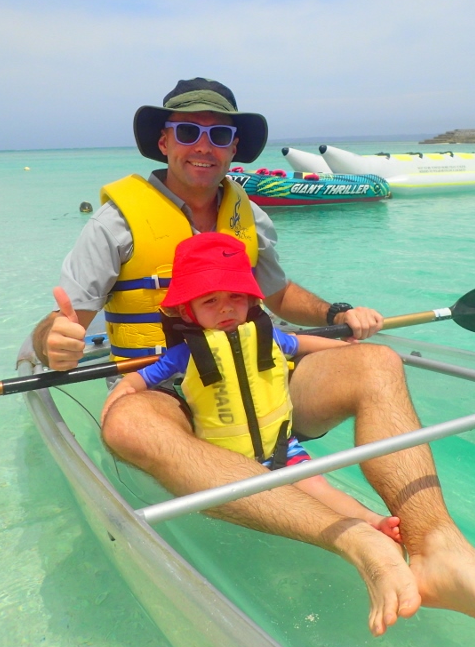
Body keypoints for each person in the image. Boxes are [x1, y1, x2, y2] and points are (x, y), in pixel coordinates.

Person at [33, 77, 475, 638]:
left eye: (220, 134)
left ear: (235, 146)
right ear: (163, 141)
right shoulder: (116, 223)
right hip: (171, 392)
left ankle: (438, 546)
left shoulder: (247, 214)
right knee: (129, 424)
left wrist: (336, 314)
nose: (204, 145)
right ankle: (357, 538)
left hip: (256, 380)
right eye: (188, 131)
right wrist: (57, 340)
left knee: (376, 362)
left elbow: (279, 296)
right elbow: (61, 326)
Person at [101, 231, 402, 543]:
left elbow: (300, 342)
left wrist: (344, 350)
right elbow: (145, 376)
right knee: (278, 506)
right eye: (210, 301)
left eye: (235, 297)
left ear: (250, 300)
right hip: (228, 462)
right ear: (187, 310)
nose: (226, 309)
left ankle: (371, 520)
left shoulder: (264, 336)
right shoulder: (187, 353)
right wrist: (123, 390)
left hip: (283, 447)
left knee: (319, 488)